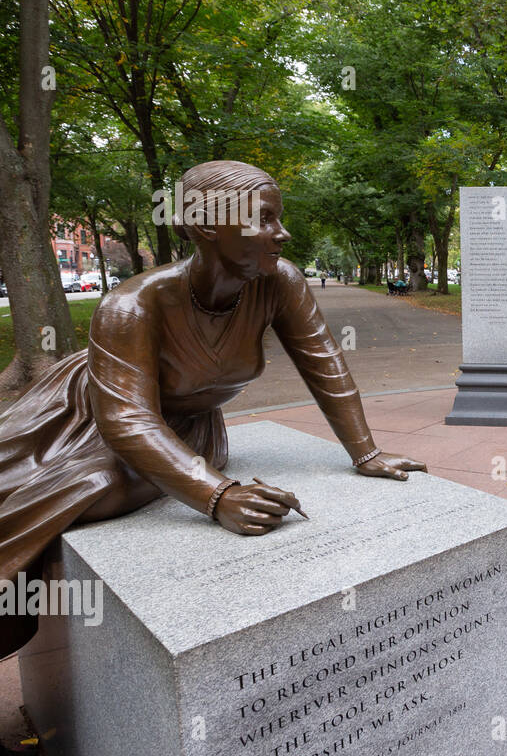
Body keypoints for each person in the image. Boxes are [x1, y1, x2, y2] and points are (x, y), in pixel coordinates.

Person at [0, 160, 426, 664]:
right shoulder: (132, 305)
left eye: (278, 217)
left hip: (189, 427)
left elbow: (325, 365)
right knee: (93, 486)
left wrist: (366, 453)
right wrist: (217, 495)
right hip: (86, 417)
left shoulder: (279, 282)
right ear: (207, 226)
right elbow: (127, 419)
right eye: (263, 219)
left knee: (132, 481)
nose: (281, 233)